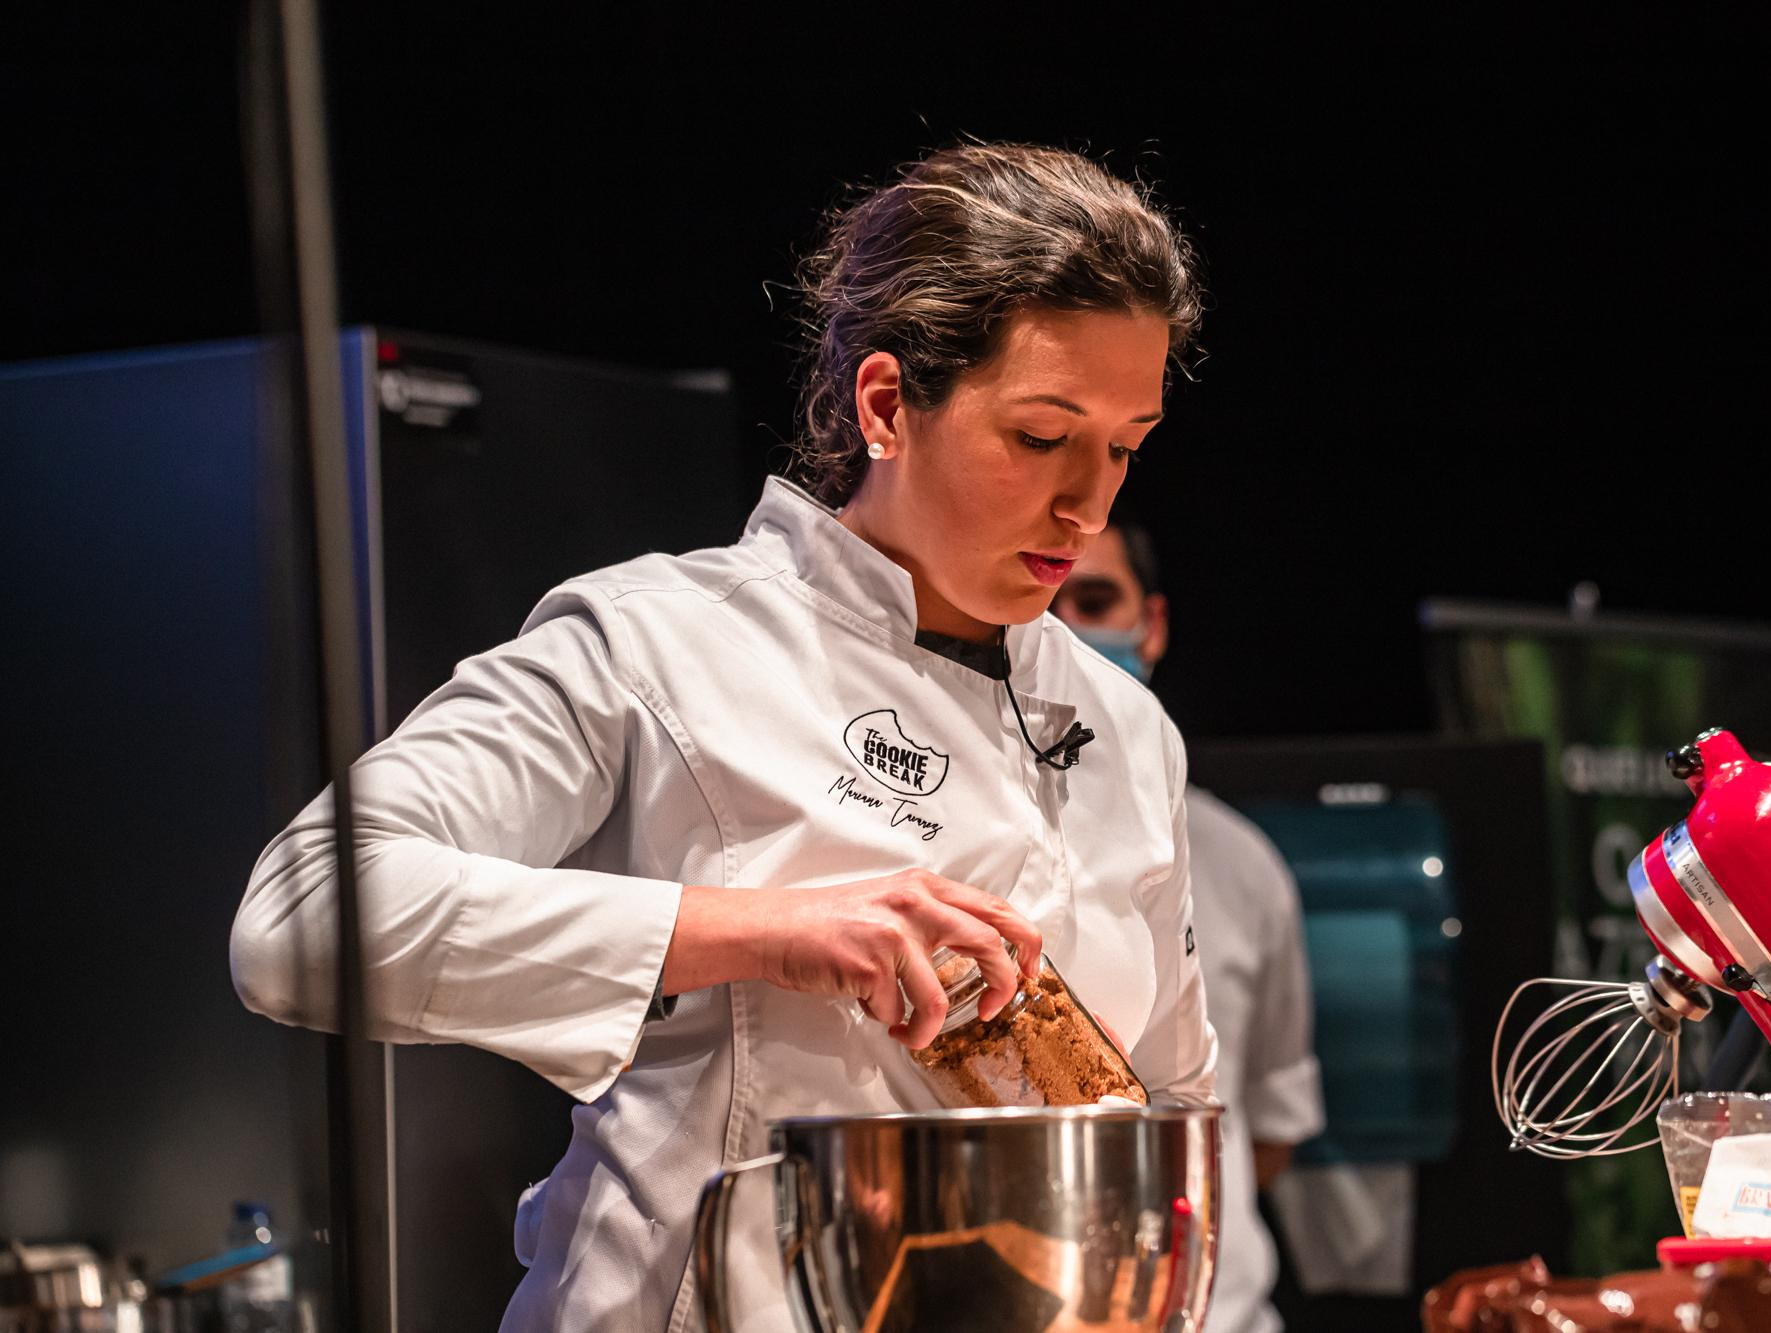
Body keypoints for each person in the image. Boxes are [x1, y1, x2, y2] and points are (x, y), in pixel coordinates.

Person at [228, 143, 1218, 1331]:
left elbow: (1169, 1104)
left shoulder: (1127, 730)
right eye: (1041, 436)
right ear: (888, 404)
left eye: (1124, 443)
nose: (1090, 505)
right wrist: (759, 930)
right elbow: (300, 918)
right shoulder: (659, 640)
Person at [1052, 517, 1323, 1333]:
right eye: (1046, 600)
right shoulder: (949, 837)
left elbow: (1268, 1133)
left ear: (1153, 624)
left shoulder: (1242, 861)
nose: (1068, 631)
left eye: (1095, 599)